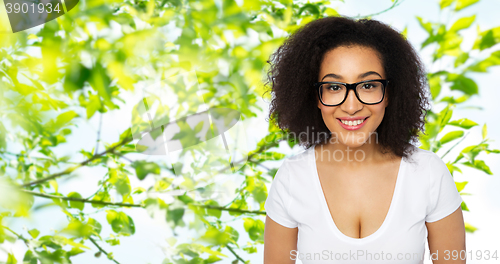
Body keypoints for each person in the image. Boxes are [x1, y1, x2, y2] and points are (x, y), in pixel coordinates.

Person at [263, 16, 466, 264]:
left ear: (389, 93)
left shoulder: (429, 174)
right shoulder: (292, 179)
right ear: (315, 96)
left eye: (368, 85)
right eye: (334, 87)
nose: (351, 106)